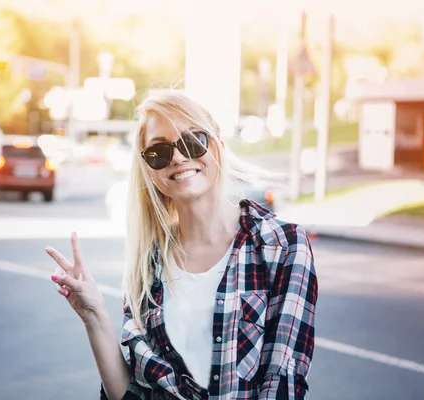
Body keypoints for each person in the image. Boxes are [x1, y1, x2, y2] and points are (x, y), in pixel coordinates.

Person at [46, 89, 318, 399]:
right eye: (158, 152)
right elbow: (131, 394)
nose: (177, 157)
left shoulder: (282, 245)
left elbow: (283, 381)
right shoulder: (148, 265)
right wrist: (94, 316)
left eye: (193, 141)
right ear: (150, 169)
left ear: (218, 147)